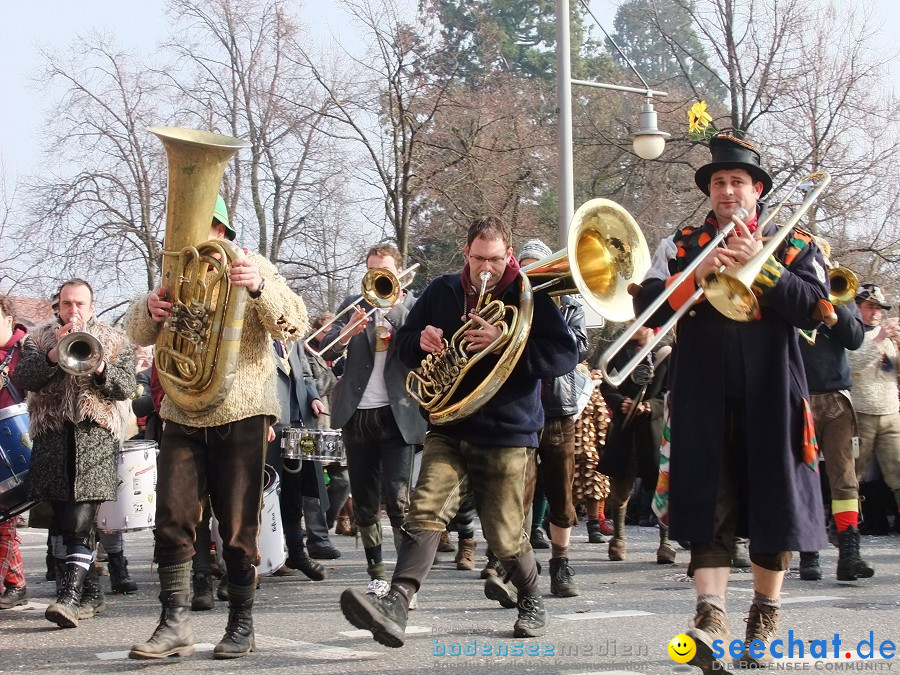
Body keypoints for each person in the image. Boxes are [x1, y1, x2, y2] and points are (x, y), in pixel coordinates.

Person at [631, 132, 829, 670]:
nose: (727, 190)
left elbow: (818, 308)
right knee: (706, 503)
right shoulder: (681, 242)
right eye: (718, 182)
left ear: (756, 190)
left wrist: (764, 269)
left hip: (773, 390)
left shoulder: (794, 243)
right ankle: (710, 617)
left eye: (737, 182)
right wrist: (693, 275)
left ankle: (764, 618)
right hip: (701, 392)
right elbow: (643, 305)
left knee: (774, 504)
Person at [339, 216, 578, 646]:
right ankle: (397, 602)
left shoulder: (528, 292)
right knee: (424, 510)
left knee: (505, 536)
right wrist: (420, 342)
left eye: (494, 259)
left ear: (508, 255)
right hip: (448, 424)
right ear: (465, 254)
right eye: (477, 259)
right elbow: (407, 343)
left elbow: (563, 355)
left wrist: (503, 342)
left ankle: (530, 595)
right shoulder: (442, 290)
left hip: (508, 430)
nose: (486, 269)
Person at [125, 195, 309, 660]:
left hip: (242, 411)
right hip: (184, 410)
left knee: (238, 526)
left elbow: (293, 323)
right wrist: (148, 309)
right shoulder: (176, 270)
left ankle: (241, 625)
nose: (192, 235)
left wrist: (260, 287)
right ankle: (174, 623)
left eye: (204, 226)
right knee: (171, 517)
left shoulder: (253, 264)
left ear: (223, 232)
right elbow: (137, 333)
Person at [14, 280, 136, 628]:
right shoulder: (37, 339)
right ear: (58, 306)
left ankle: (67, 599)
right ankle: (92, 593)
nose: (73, 310)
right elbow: (24, 378)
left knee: (80, 518)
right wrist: (54, 354)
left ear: (92, 305)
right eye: (67, 304)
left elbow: (127, 386)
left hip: (94, 435)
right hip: (53, 435)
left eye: (80, 304)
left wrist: (100, 367)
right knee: (64, 518)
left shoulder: (114, 340)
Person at [319, 243, 426, 597]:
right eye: (371, 270)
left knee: (398, 500)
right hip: (357, 413)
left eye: (384, 270)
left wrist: (392, 310)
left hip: (399, 413)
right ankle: (376, 572)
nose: (377, 277)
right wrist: (347, 332)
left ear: (398, 273)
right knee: (364, 503)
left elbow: (420, 349)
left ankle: (404, 580)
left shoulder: (412, 306)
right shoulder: (353, 304)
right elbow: (326, 354)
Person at [516, 238, 591, 598]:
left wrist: (546, 328)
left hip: (559, 411)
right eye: (526, 269)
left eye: (538, 268)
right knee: (518, 490)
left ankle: (561, 563)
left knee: (561, 492)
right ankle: (515, 564)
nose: (532, 276)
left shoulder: (569, 305)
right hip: (522, 408)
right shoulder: (514, 302)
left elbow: (578, 347)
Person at [796, 272, 873, 581]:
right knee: (805, 476)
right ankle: (808, 552)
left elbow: (854, 339)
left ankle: (849, 553)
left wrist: (834, 313)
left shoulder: (841, 295)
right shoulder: (795, 290)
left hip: (837, 398)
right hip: (799, 397)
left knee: (844, 477)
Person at [599, 321, 671, 564]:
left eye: (636, 321)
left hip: (653, 429)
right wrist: (622, 402)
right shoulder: (618, 352)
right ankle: (618, 539)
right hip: (625, 428)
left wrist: (650, 407)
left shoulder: (667, 353)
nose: (631, 324)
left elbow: (671, 392)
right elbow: (607, 386)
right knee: (621, 487)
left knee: (659, 487)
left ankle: (665, 542)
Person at [269, 338, 331, 578]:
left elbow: (305, 374)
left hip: (299, 423)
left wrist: (314, 397)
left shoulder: (293, 339)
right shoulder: (259, 334)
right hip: (272, 423)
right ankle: (266, 556)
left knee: (296, 491)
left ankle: (296, 552)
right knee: (267, 493)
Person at [846, 283, 900, 537]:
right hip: (861, 412)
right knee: (855, 474)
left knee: (897, 471)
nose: (876, 313)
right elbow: (851, 367)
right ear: (857, 307)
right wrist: (878, 340)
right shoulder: (851, 333)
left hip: (889, 410)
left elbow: (889, 372)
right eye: (870, 307)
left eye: (879, 308)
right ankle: (850, 527)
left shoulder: (886, 337)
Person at [0, 296, 28, 610]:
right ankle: (15, 581)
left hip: (21, 442)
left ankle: (14, 582)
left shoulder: (26, 348)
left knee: (5, 516)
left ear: (9, 319)